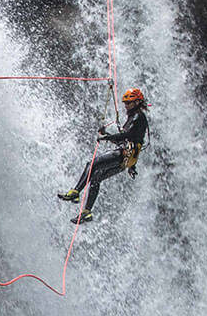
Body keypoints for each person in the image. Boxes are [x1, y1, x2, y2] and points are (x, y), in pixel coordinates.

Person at [57, 87, 150, 222]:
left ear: (137, 103)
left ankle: (75, 192)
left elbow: (127, 135)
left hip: (125, 153)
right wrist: (107, 135)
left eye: (128, 103)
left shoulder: (138, 116)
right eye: (125, 103)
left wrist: (107, 138)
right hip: (128, 158)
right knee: (96, 177)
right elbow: (132, 137)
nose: (126, 106)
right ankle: (87, 212)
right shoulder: (135, 117)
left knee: (92, 164)